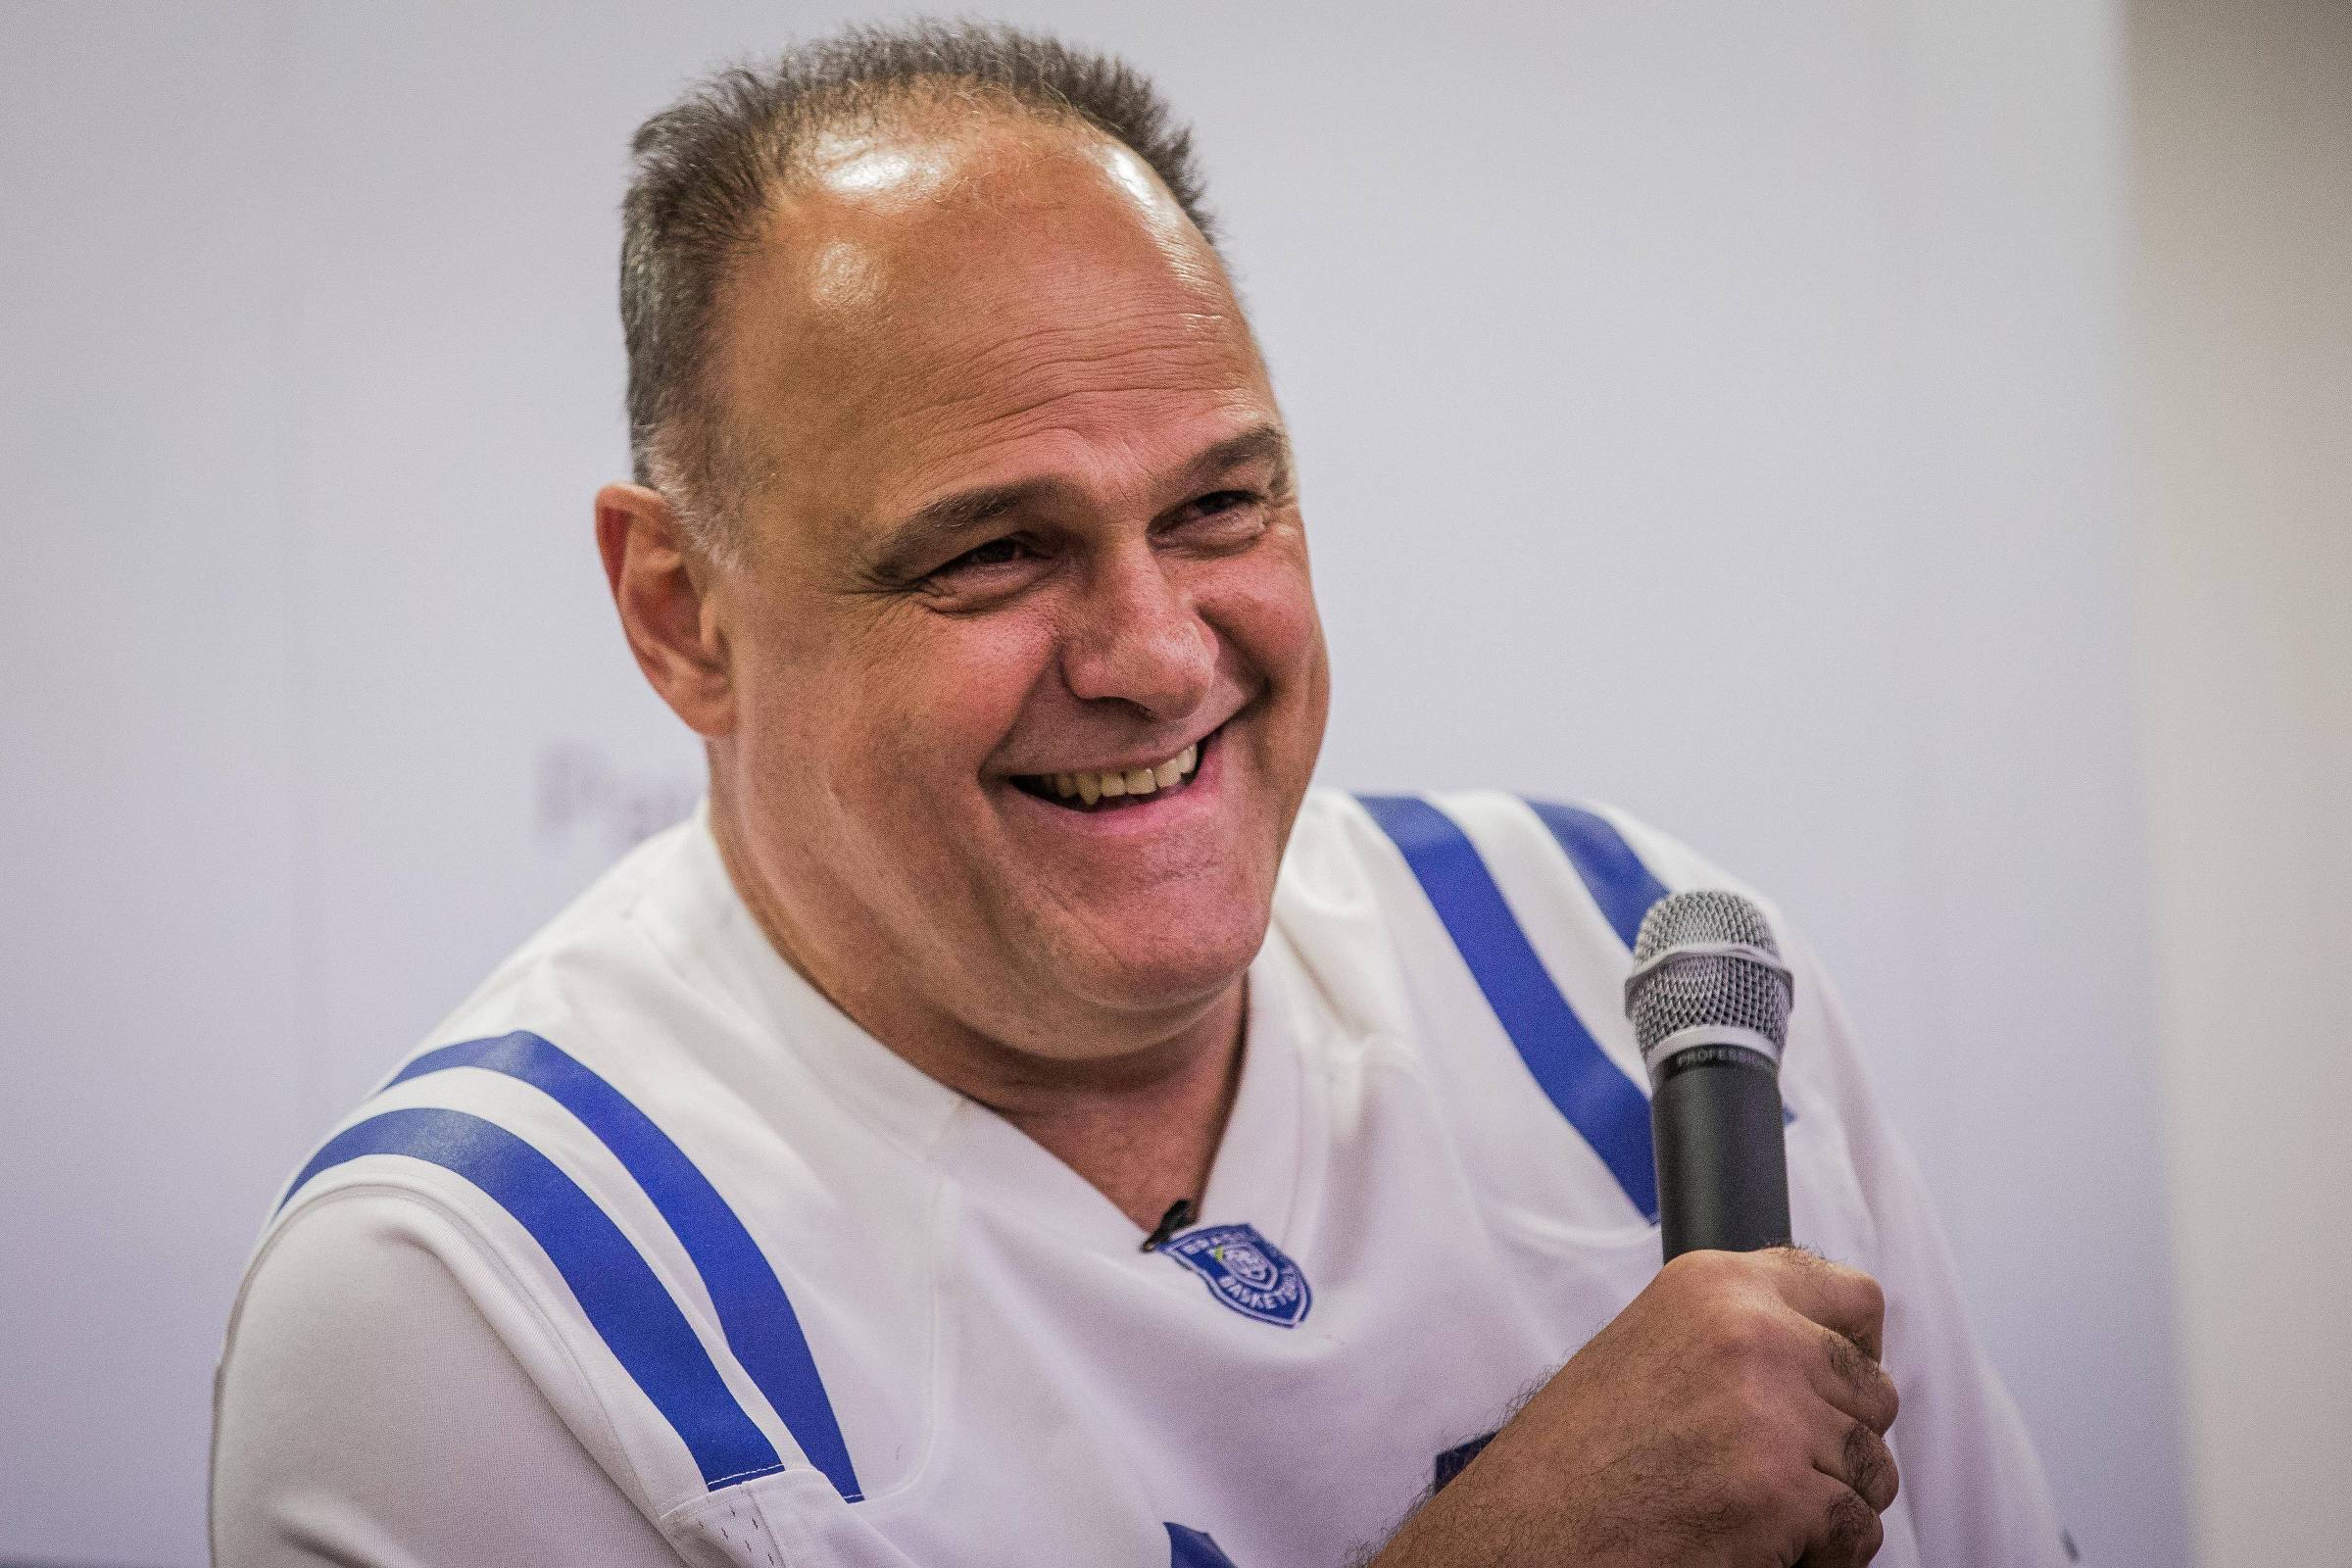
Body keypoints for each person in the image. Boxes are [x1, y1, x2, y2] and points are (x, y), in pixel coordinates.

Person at [210, 22, 2072, 1568]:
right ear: (681, 613)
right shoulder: (474, 1294)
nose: (1159, 652)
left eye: (1218, 507)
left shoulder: (1623, 965)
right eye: (994, 553)